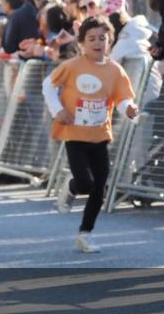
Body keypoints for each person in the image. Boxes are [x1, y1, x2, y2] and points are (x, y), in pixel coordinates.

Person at [43, 15, 139, 253]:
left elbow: (121, 97)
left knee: (100, 187)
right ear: (82, 43)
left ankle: (85, 234)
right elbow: (48, 85)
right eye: (92, 39)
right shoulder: (73, 66)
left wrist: (128, 108)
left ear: (110, 41)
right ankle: (72, 187)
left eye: (103, 38)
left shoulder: (115, 70)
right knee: (86, 182)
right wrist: (58, 110)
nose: (98, 43)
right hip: (74, 132)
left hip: (100, 134)